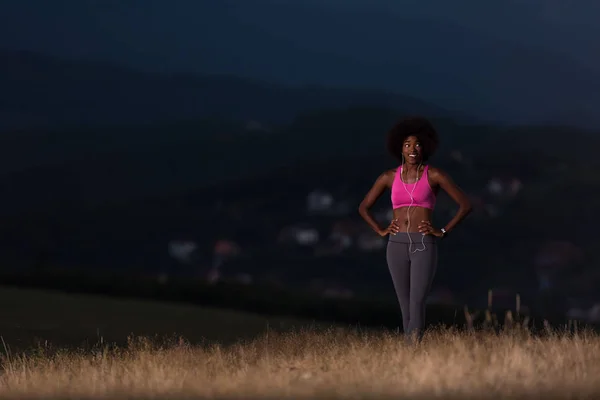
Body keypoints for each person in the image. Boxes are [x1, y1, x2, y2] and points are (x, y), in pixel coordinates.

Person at [358, 116, 472, 343]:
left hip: (423, 243)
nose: (412, 149)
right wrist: (380, 230)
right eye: (407, 144)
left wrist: (443, 231)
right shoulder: (389, 177)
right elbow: (363, 207)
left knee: (417, 301)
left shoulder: (435, 175)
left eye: (417, 144)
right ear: (399, 147)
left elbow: (465, 205)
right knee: (404, 304)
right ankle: (411, 352)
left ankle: (412, 351)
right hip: (395, 244)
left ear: (425, 147)